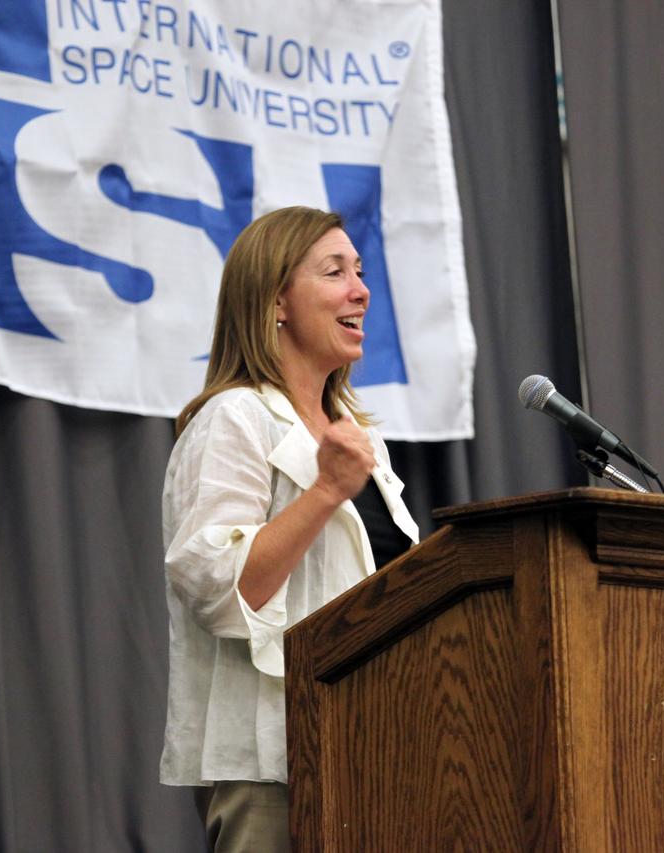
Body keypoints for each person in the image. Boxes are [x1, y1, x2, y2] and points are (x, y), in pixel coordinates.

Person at [159, 206, 419, 852]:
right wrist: (327, 491)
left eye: (360, 271)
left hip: (371, 755)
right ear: (277, 300)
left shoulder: (360, 440)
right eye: (335, 272)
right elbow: (220, 587)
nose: (361, 289)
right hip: (273, 762)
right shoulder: (233, 420)